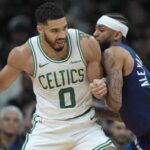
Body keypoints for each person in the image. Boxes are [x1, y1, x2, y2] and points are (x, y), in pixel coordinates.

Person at [0, 2, 116, 150]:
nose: (62, 35)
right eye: (54, 30)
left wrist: (101, 86)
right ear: (40, 30)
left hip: (84, 126)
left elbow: (97, 89)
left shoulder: (86, 43)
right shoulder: (24, 54)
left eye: (64, 28)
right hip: (47, 129)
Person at [90, 13, 150, 150]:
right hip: (144, 137)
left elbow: (114, 105)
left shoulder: (112, 52)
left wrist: (103, 89)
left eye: (101, 30)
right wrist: (89, 111)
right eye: (95, 29)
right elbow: (122, 114)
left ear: (116, 35)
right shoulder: (128, 53)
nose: (94, 34)